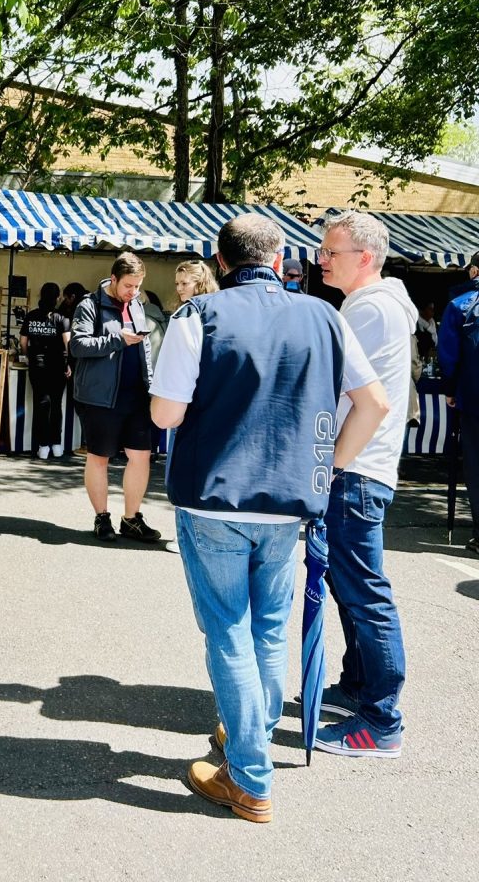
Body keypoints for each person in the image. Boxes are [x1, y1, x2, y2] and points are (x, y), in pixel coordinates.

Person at [149, 213, 388, 824]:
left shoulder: (196, 316)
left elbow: (166, 415)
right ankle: (242, 739)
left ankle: (250, 777)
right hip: (288, 502)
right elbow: (375, 403)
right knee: (268, 630)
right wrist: (329, 466)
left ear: (221, 262)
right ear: (280, 259)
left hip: (213, 496)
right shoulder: (325, 316)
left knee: (228, 629)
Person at [313, 212, 415, 758]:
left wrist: (331, 465)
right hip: (359, 468)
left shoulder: (371, 307)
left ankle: (381, 719)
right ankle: (358, 688)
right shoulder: (374, 304)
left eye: (332, 251)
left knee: (364, 593)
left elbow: (351, 393)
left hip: (355, 470)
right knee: (353, 588)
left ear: (366, 257)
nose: (321, 258)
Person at [69, 254, 167, 541]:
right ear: (113, 279)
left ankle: (131, 518)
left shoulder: (136, 304)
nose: (133, 292)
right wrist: (118, 339)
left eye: (137, 286)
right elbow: (77, 345)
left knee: (142, 456)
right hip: (100, 397)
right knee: (99, 458)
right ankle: (102, 518)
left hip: (136, 394)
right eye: (128, 286)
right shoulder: (89, 305)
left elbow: (145, 348)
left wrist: (151, 384)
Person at [438, 250, 479, 553]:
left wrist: (450, 389)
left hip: (473, 396)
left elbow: (449, 356)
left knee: (476, 465)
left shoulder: (460, 305)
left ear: (474, 272)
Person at [19, 282, 71, 459]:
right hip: (57, 366)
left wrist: (27, 356)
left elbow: (23, 342)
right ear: (57, 298)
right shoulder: (62, 317)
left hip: (37, 366)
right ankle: (57, 445)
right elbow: (68, 343)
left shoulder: (31, 316)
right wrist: (69, 364)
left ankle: (42, 447)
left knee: (41, 404)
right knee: (56, 404)